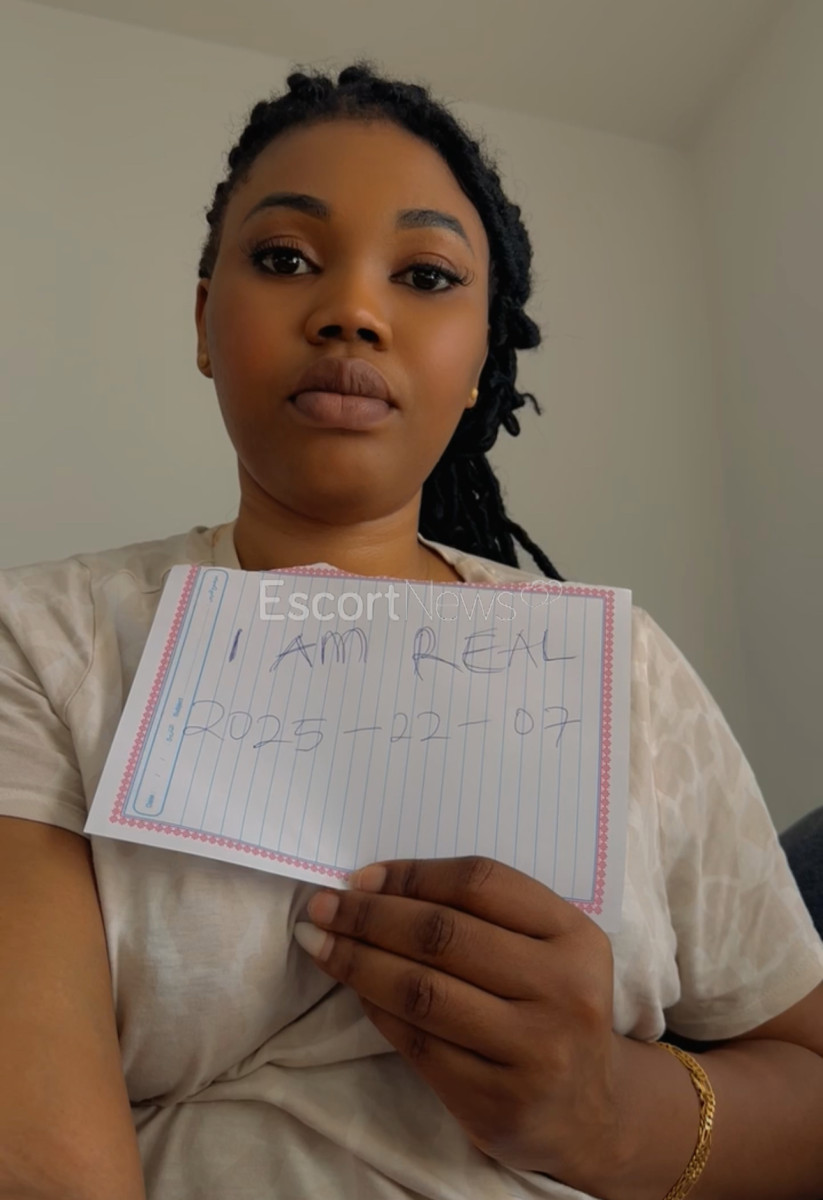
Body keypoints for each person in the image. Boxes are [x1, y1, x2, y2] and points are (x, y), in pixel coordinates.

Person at [1, 62, 822, 1200]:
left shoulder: (627, 671)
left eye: (426, 275)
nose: (351, 310)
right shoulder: (44, 642)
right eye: (284, 258)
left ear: (481, 354)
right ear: (202, 322)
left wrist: (607, 1114)